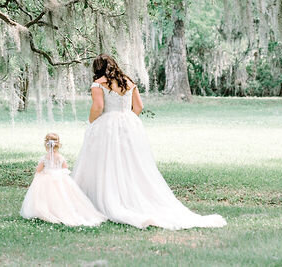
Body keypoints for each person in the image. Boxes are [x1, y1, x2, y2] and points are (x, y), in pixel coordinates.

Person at [71, 54, 226, 230]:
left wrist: (92, 122)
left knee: (107, 162)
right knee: (132, 164)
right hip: (129, 125)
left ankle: (108, 197)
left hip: (107, 126)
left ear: (97, 68)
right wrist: (126, 119)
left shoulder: (99, 83)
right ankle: (129, 195)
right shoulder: (128, 82)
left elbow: (98, 107)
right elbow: (138, 107)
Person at [20, 132, 106, 227]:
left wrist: (41, 170)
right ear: (58, 144)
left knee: (46, 196)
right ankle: (61, 210)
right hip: (60, 178)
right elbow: (65, 168)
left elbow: (39, 169)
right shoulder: (61, 157)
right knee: (63, 196)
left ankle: (48, 210)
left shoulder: (45, 157)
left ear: (46, 144)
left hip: (46, 179)